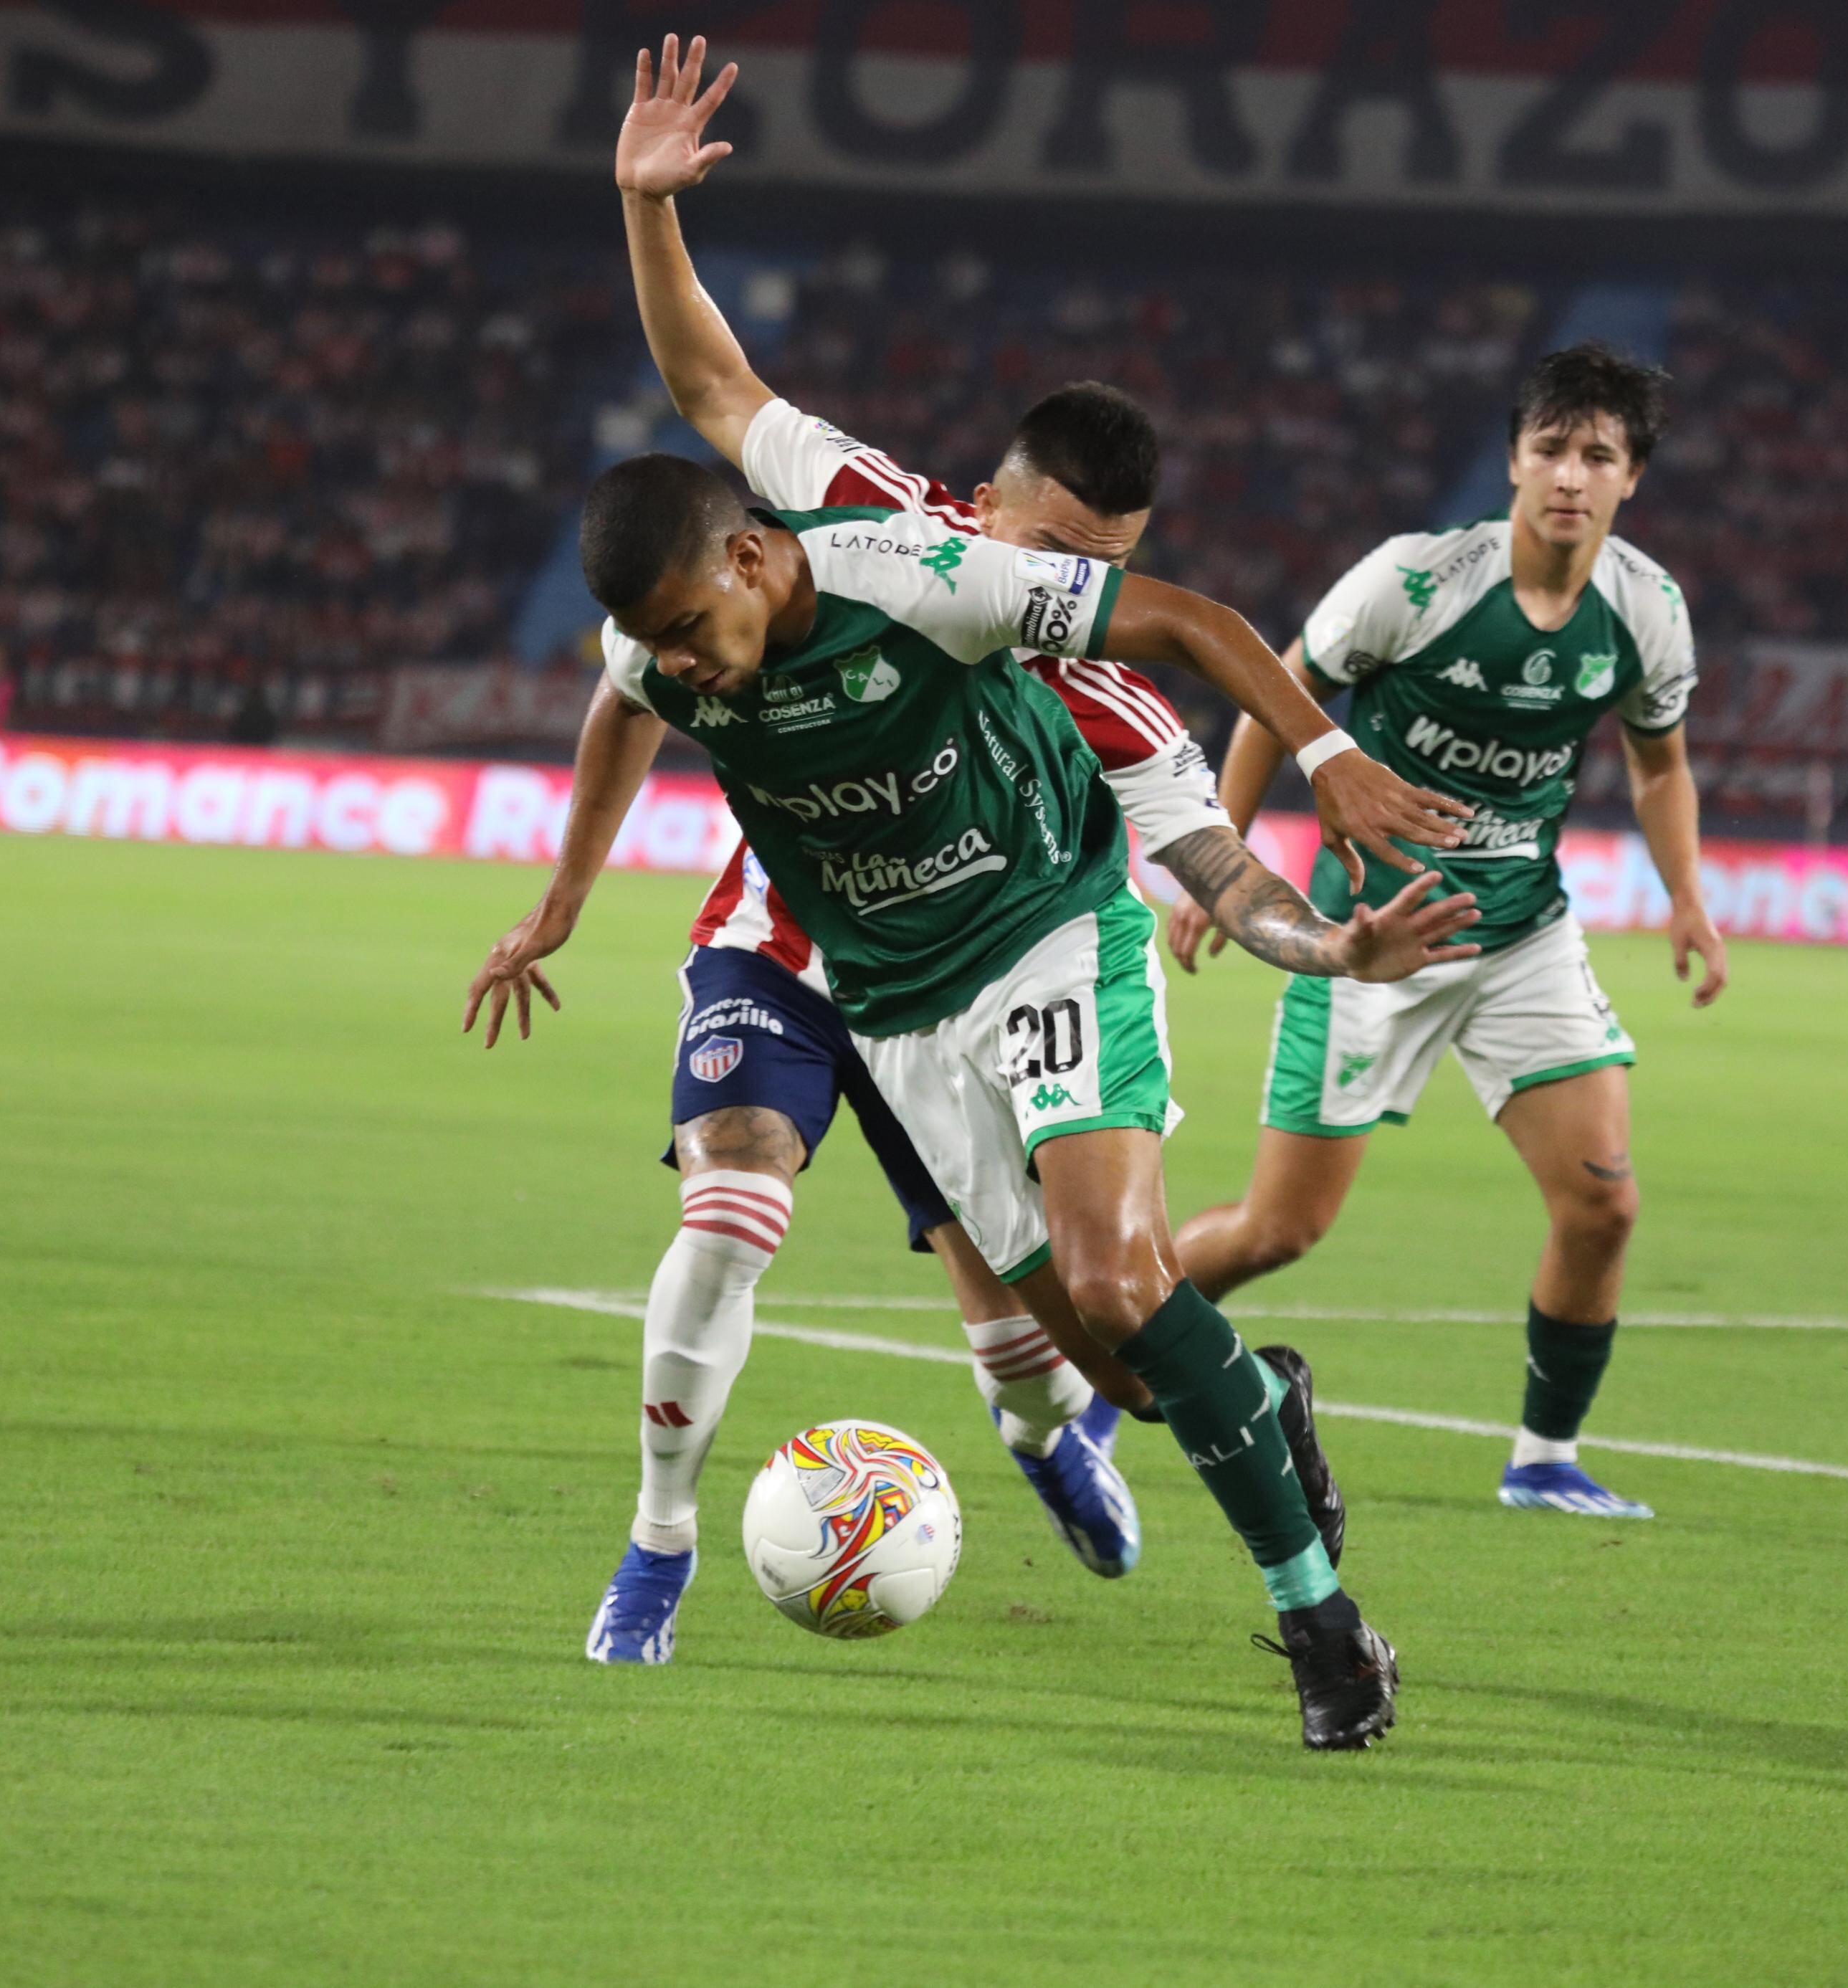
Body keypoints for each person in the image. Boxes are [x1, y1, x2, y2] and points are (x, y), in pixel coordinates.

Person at [543, 35, 1476, 1678]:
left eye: (1103, 569)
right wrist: (645, 210)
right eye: (1050, 553)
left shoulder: (1106, 704)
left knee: (1102, 1345)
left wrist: (1327, 915)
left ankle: (1176, 1447)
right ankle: (662, 1539)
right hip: (805, 949)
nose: (1071, 590)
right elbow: (709, 394)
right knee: (760, 1216)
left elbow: (1214, 868)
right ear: (993, 509)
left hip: (1016, 952)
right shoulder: (872, 528)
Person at [467, 431, 1478, 1745]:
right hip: (900, 1015)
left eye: (686, 626)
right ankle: (1260, 1393)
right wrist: (561, 905)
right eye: (652, 637)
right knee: (1127, 1376)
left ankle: (1324, 1628)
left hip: (1055, 938)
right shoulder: (665, 644)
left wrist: (1330, 832)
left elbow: (1194, 638)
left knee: (1118, 1280)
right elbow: (621, 706)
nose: (676, 659)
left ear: (753, 557)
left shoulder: (934, 580)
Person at [1167, 343, 1725, 1525]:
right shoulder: (1415, 584)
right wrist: (1222, 865)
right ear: (1515, 460)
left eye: (1599, 456)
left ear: (1633, 480)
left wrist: (1687, 896)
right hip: (1372, 936)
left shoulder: (1648, 609)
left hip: (1523, 937)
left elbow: (1659, 761)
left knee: (1604, 1204)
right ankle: (1109, 1337)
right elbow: (1280, 696)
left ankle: (1543, 1457)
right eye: (1551, 450)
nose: (1570, 475)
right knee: (1280, 1231)